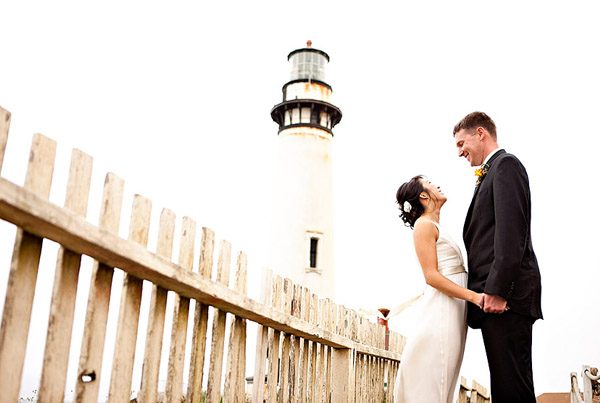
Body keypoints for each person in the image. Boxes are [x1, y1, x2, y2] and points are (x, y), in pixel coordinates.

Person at [453, 111, 542, 402]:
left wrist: (497, 290)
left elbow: (511, 234)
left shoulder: (506, 166)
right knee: (505, 388)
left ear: (481, 133)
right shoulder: (491, 172)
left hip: (505, 300)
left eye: (461, 143)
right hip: (495, 302)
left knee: (513, 389)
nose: (459, 152)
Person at [393, 175, 483, 403]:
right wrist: (474, 297)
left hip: (453, 310)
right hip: (441, 311)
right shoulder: (423, 226)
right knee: (438, 371)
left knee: (447, 373)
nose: (437, 185)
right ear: (424, 195)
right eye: (430, 183)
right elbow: (431, 276)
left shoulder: (434, 226)